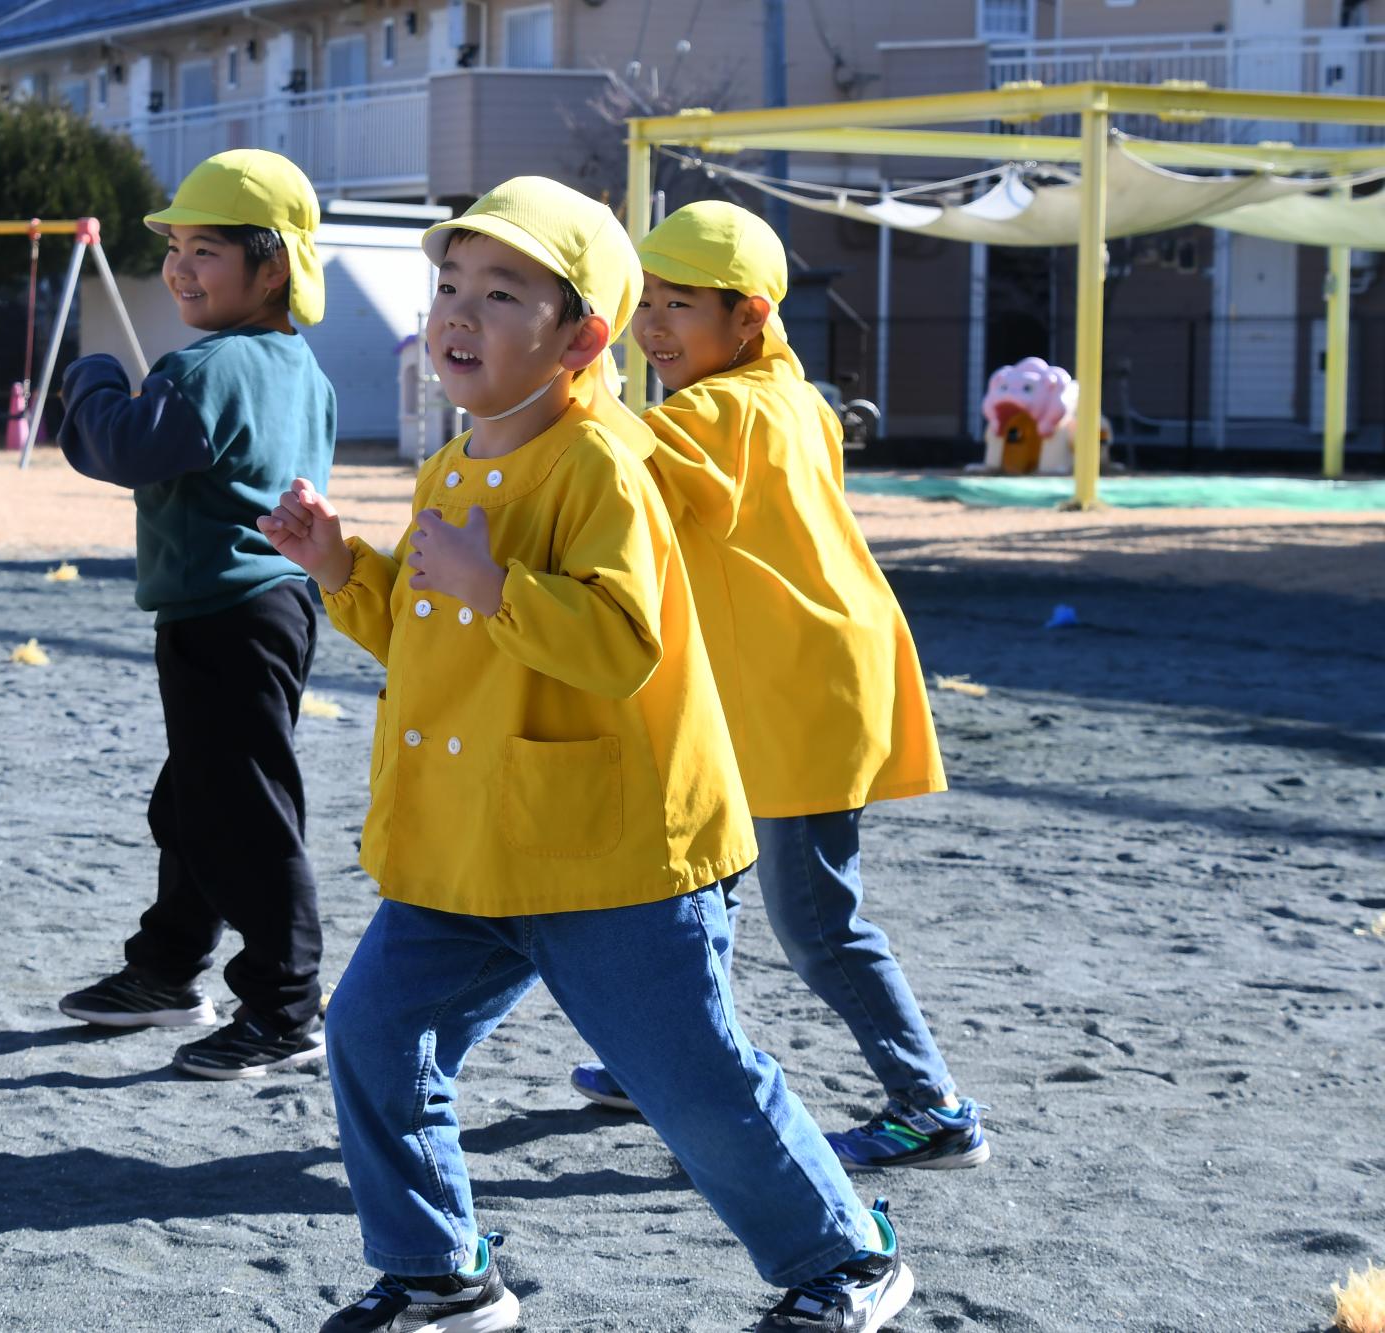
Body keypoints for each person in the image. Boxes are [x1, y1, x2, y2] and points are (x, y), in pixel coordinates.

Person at [259, 177, 914, 1333]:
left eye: (501, 293)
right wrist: (342, 567)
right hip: (469, 839)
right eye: (449, 286)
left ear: (580, 338)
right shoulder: (454, 464)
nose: (457, 312)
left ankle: (846, 1258)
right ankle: (441, 1273)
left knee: (689, 1079)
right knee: (372, 1032)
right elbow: (430, 624)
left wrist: (492, 582)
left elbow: (620, 643)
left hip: (610, 848)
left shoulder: (603, 461)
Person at [569, 200, 986, 1175]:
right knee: (694, 885)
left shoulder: (724, 408)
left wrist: (558, 372)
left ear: (747, 318)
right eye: (646, 304)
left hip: (796, 706)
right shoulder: (786, 393)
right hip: (789, 693)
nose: (654, 328)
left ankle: (930, 1106)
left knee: (815, 922)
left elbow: (618, 460)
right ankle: (665, 1062)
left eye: (678, 306)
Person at [52, 149, 337, 1081]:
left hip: (225, 614)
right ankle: (168, 966)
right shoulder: (302, 367)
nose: (180, 267)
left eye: (207, 249)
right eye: (176, 247)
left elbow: (127, 449)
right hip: (274, 608)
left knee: (242, 812)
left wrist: (91, 380)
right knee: (194, 801)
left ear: (274, 267)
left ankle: (287, 1004)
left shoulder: (206, 367)